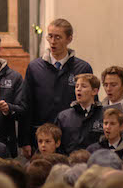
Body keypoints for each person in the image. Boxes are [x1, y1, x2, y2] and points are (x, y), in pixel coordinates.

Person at [18, 18, 92, 157]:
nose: (53, 41)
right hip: (42, 139)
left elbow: (90, 104)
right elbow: (26, 104)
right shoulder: (35, 67)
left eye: (58, 37)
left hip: (72, 137)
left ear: (69, 39)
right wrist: (24, 140)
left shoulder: (82, 68)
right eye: (50, 36)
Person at [56, 73, 105, 155]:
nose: (78, 89)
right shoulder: (63, 116)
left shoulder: (104, 115)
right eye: (76, 86)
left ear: (94, 91)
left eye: (83, 86)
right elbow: (58, 146)